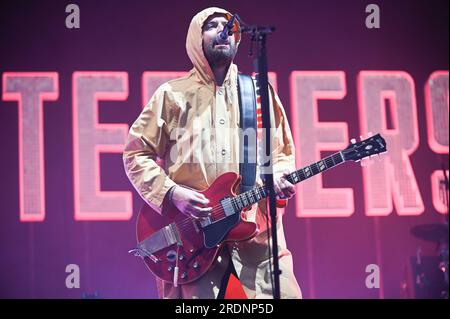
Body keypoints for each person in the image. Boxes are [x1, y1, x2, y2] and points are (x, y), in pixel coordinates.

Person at [123, 7, 302, 299]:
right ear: (197, 37)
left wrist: (279, 177)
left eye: (228, 25)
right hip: (193, 239)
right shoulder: (172, 95)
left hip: (258, 240)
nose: (222, 30)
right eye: (211, 25)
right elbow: (136, 153)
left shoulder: (258, 93)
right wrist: (171, 193)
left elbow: (280, 154)